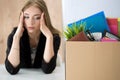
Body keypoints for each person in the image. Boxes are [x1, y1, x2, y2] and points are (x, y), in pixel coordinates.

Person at [5, 0, 61, 75]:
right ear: (22, 18)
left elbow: (48, 69)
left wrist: (49, 37)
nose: (31, 22)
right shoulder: (14, 36)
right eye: (26, 17)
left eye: (37, 17)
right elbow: (11, 69)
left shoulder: (53, 37)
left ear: (44, 18)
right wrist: (16, 37)